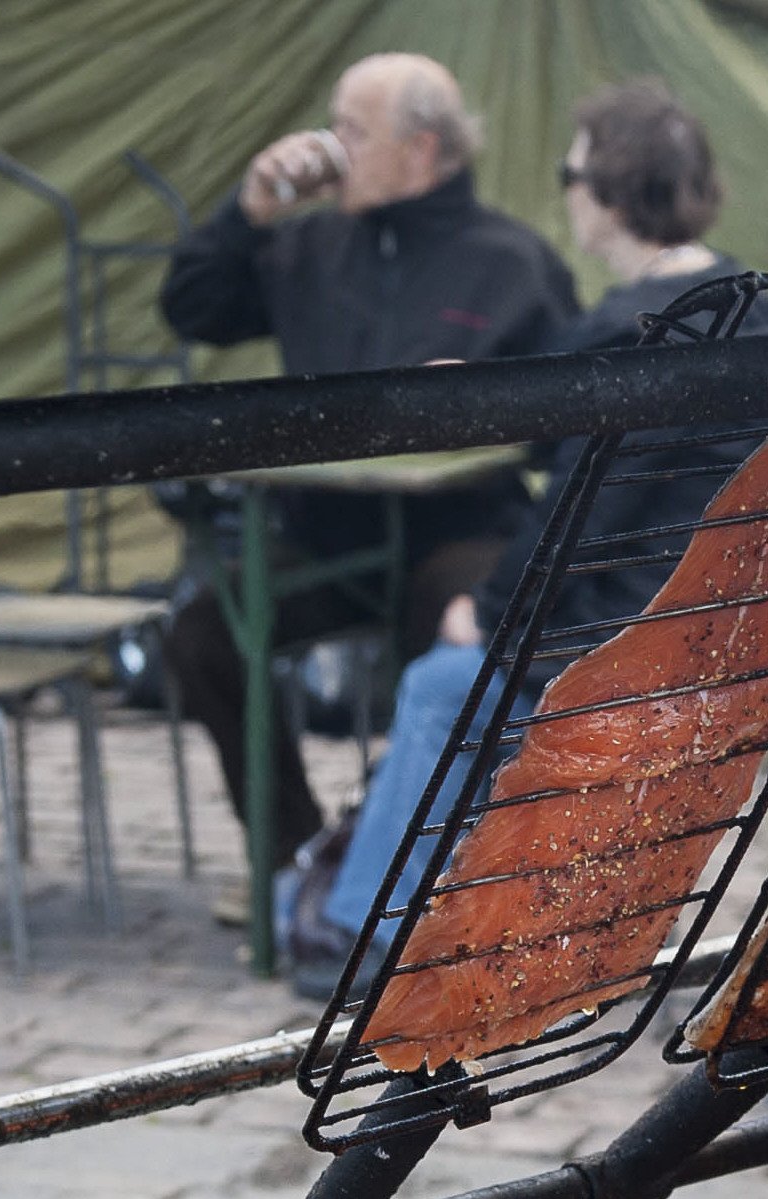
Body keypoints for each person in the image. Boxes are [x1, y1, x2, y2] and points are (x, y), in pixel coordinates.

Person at [285, 79, 768, 990]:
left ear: (606, 191)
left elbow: (579, 516)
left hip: (625, 639)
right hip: (713, 626)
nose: (564, 192)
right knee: (460, 668)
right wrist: (497, 390)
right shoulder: (740, 308)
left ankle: (360, 938)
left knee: (442, 678)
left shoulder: (631, 333)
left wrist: (483, 614)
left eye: (571, 173)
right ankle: (435, 912)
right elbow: (610, 443)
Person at [156, 53, 577, 921]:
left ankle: (405, 866)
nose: (329, 148)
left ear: (422, 147)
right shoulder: (305, 244)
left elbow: (571, 420)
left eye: (352, 129)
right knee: (203, 636)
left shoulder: (512, 261)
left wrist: (488, 408)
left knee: (451, 631)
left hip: (457, 528)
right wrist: (247, 211)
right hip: (324, 532)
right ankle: (298, 854)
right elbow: (191, 306)